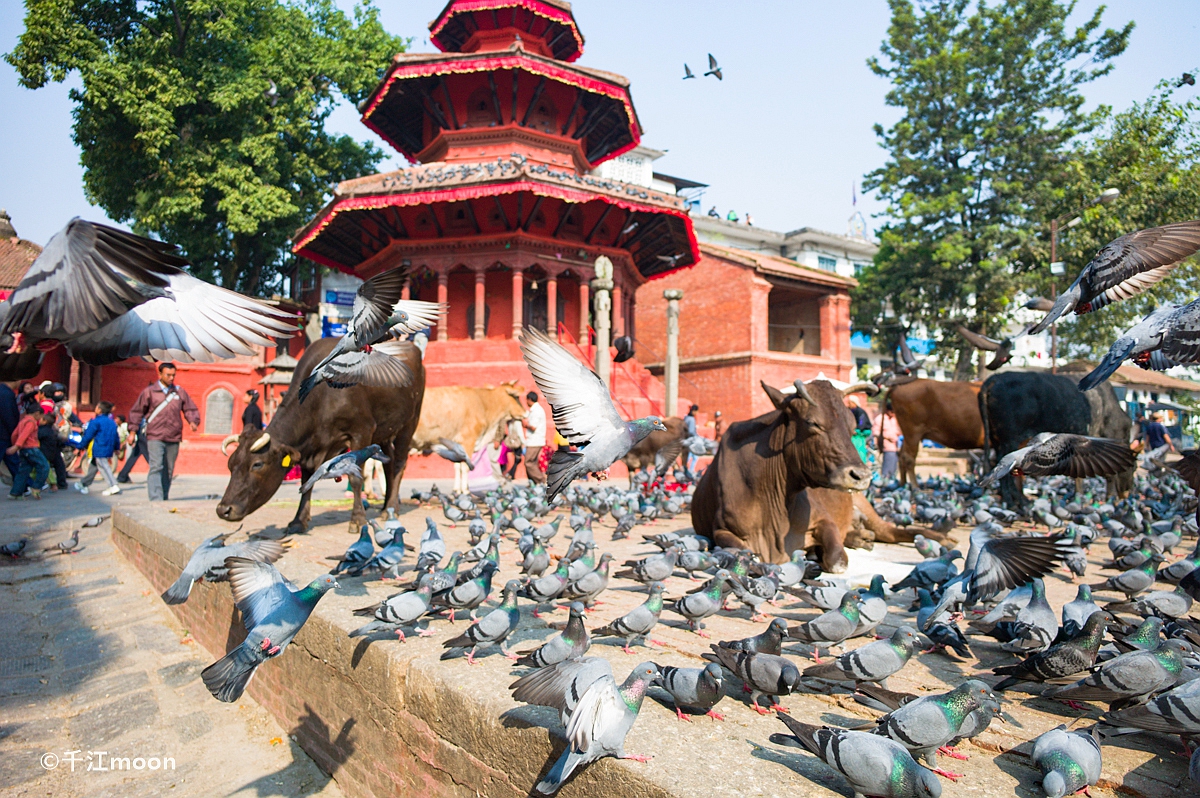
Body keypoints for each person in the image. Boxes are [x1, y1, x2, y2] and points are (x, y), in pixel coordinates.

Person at [128, 362, 200, 501]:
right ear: (160, 374)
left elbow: (190, 408)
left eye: (173, 375)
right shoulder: (149, 392)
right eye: (168, 375)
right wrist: (132, 431)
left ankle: (164, 497)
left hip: (174, 435)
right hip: (155, 435)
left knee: (168, 470)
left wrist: (193, 421)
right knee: (156, 466)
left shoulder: (179, 392)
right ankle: (156, 498)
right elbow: (137, 411)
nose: (171, 378)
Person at [75, 401, 121, 495]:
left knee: (104, 466)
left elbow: (88, 436)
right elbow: (116, 436)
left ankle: (113, 485)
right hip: (109, 447)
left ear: (99, 410)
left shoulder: (96, 422)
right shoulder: (112, 422)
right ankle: (84, 483)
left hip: (100, 447)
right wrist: (117, 448)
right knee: (94, 465)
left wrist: (79, 447)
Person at [8, 400, 48, 500]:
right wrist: (17, 446)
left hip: (24, 450)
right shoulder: (31, 422)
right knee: (44, 466)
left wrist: (16, 445)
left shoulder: (23, 421)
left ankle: (15, 493)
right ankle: (36, 487)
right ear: (37, 414)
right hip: (32, 448)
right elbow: (24, 435)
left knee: (23, 471)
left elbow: (15, 434)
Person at [871, 400, 901, 480]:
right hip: (887, 446)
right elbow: (875, 432)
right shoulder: (880, 419)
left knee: (894, 468)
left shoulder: (894, 419)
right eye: (892, 412)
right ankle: (885, 483)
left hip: (896, 446)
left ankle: (892, 482)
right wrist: (887, 437)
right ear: (887, 411)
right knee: (887, 468)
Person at [521, 391, 547, 484]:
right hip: (533, 441)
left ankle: (541, 480)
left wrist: (525, 424)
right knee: (532, 462)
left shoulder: (536, 411)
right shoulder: (534, 410)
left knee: (528, 462)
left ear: (529, 399)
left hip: (535, 441)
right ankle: (533, 483)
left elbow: (533, 427)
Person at [116, 418, 147, 484]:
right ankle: (161, 474)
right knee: (150, 457)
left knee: (134, 456)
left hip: (142, 434)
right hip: (144, 434)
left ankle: (122, 476)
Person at [0, 380, 20, 484]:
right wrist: (14, 432)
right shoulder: (6, 394)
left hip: (4, 434)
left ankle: (24, 485)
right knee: (13, 461)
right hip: (4, 434)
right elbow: (8, 416)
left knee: (13, 462)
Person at [845, 396, 873, 464]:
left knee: (858, 451)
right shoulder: (850, 410)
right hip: (852, 434)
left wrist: (856, 430)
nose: (849, 404)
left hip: (859, 435)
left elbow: (861, 423)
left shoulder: (860, 411)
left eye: (850, 403)